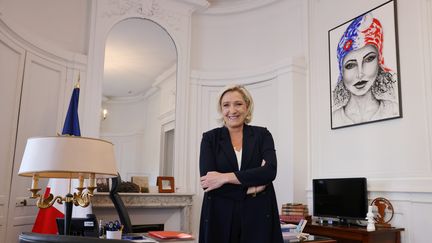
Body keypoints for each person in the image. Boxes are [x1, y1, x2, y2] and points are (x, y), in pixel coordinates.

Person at [198, 85, 283, 243]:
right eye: (226, 105)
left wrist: (225, 178)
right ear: (221, 109)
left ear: (247, 106)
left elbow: (269, 171)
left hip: (258, 214)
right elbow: (207, 182)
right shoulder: (210, 138)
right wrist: (254, 187)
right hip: (220, 215)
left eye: (238, 104)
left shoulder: (262, 135)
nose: (232, 110)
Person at [332, 13, 399, 127]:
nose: (360, 73)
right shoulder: (335, 118)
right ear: (342, 72)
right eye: (350, 65)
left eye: (369, 59)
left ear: (379, 61)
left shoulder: (393, 109)